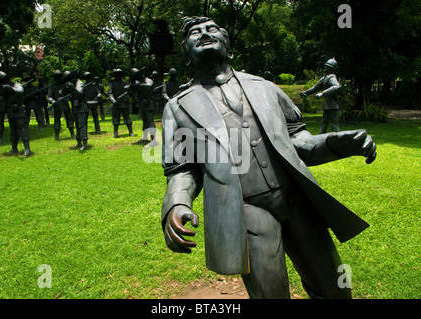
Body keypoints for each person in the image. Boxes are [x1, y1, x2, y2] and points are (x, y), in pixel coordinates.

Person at [161, 17, 377, 299]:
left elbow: (298, 142)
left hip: (300, 201)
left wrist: (335, 143)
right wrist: (176, 204)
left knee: (335, 287)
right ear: (187, 54)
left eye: (211, 29)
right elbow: (182, 169)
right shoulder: (177, 108)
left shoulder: (265, 87)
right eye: (194, 33)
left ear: (230, 49)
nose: (203, 34)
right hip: (247, 211)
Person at [0, 71, 31, 156]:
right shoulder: (2, 88)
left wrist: (11, 89)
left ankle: (27, 148)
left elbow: (20, 91)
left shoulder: (16, 85)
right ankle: (14, 148)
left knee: (22, 128)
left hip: (18, 109)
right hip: (10, 110)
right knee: (13, 130)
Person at [300, 58, 341, 133]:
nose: (325, 68)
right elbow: (316, 87)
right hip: (327, 105)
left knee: (334, 125)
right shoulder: (325, 78)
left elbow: (336, 86)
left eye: (327, 66)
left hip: (333, 105)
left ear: (331, 68)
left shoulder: (331, 77)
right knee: (324, 124)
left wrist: (323, 93)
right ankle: (320, 139)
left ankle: (337, 141)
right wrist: (306, 93)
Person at [60, 70, 89, 151]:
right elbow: (62, 94)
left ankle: (85, 143)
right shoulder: (70, 85)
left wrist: (73, 89)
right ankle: (79, 142)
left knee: (83, 125)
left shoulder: (80, 83)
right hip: (75, 107)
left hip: (82, 107)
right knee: (77, 126)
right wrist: (64, 88)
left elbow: (79, 94)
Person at [47, 70, 75, 140]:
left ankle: (72, 133)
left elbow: (71, 94)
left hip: (65, 104)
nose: (58, 79)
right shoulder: (52, 87)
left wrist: (67, 99)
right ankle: (57, 135)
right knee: (57, 120)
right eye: (57, 78)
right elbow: (49, 97)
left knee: (69, 119)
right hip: (57, 105)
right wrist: (52, 101)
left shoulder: (65, 86)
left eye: (59, 78)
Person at [131, 67, 156, 143]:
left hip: (149, 103)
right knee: (145, 122)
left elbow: (150, 86)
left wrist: (140, 85)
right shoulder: (137, 82)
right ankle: (145, 137)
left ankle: (153, 138)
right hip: (142, 103)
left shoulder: (148, 80)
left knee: (150, 121)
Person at [108, 68, 134, 137]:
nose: (118, 76)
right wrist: (113, 100)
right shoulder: (112, 84)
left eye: (120, 75)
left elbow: (130, 93)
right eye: (117, 75)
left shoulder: (126, 83)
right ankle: (115, 132)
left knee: (127, 117)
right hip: (116, 103)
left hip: (124, 103)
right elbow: (110, 94)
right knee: (116, 118)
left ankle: (130, 131)